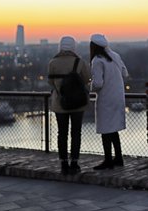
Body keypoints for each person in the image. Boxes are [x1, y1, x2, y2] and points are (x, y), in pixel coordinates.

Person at [48, 36, 91, 175]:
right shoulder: (79, 62)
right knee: (76, 133)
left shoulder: (52, 62)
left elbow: (51, 82)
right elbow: (86, 79)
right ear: (74, 47)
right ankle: (75, 163)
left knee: (62, 133)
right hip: (78, 103)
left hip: (60, 103)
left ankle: (63, 164)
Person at [89, 33, 129, 170]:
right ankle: (118, 157)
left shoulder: (97, 60)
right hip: (118, 96)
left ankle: (108, 160)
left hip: (106, 98)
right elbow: (125, 74)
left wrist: (90, 86)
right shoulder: (115, 56)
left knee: (106, 129)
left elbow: (98, 84)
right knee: (113, 129)